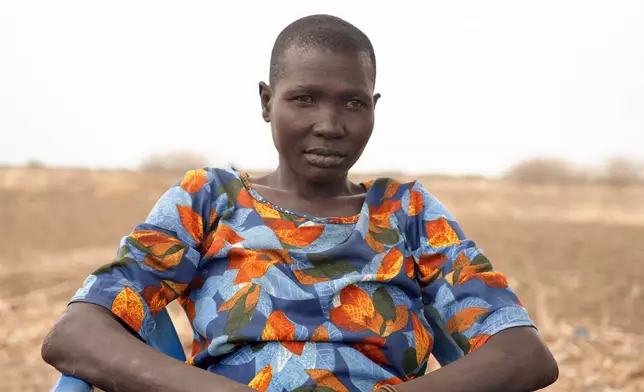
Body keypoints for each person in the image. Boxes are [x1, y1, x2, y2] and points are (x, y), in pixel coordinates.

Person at [42, 14, 558, 392]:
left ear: (374, 108)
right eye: (304, 98)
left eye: (352, 103)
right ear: (267, 101)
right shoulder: (209, 200)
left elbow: (523, 353)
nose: (329, 125)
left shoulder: (407, 213)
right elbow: (76, 334)